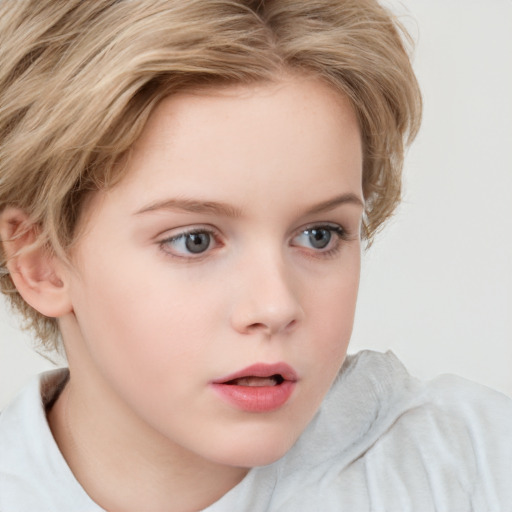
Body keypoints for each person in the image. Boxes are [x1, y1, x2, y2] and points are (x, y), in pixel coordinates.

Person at [0, 1, 510, 511]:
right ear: (39, 261)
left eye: (319, 235)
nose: (275, 306)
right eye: (194, 240)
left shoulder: (474, 469)